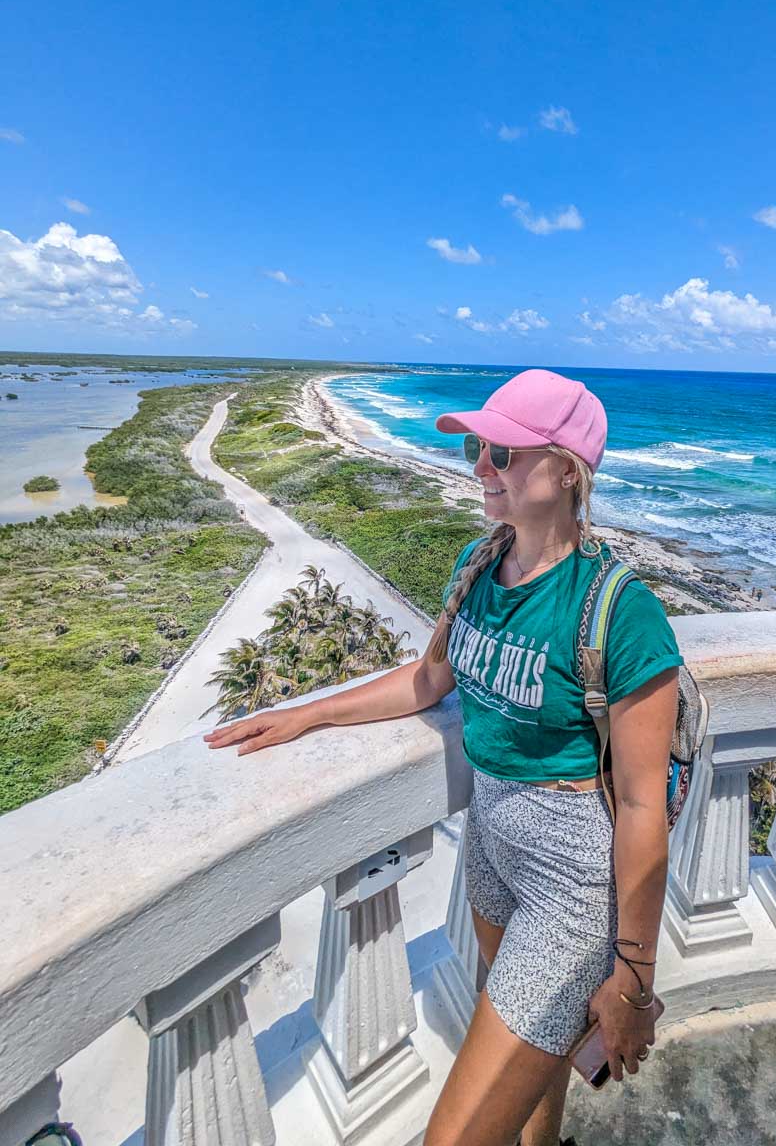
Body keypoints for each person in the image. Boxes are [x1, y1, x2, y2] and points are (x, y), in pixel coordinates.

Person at [205, 368, 683, 1146]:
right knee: (536, 1068)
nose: (479, 467)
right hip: (491, 841)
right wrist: (308, 713)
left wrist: (632, 982)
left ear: (568, 471)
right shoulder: (479, 562)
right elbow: (432, 677)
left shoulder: (620, 610)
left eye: (500, 451)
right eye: (477, 449)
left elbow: (640, 806)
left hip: (573, 875)